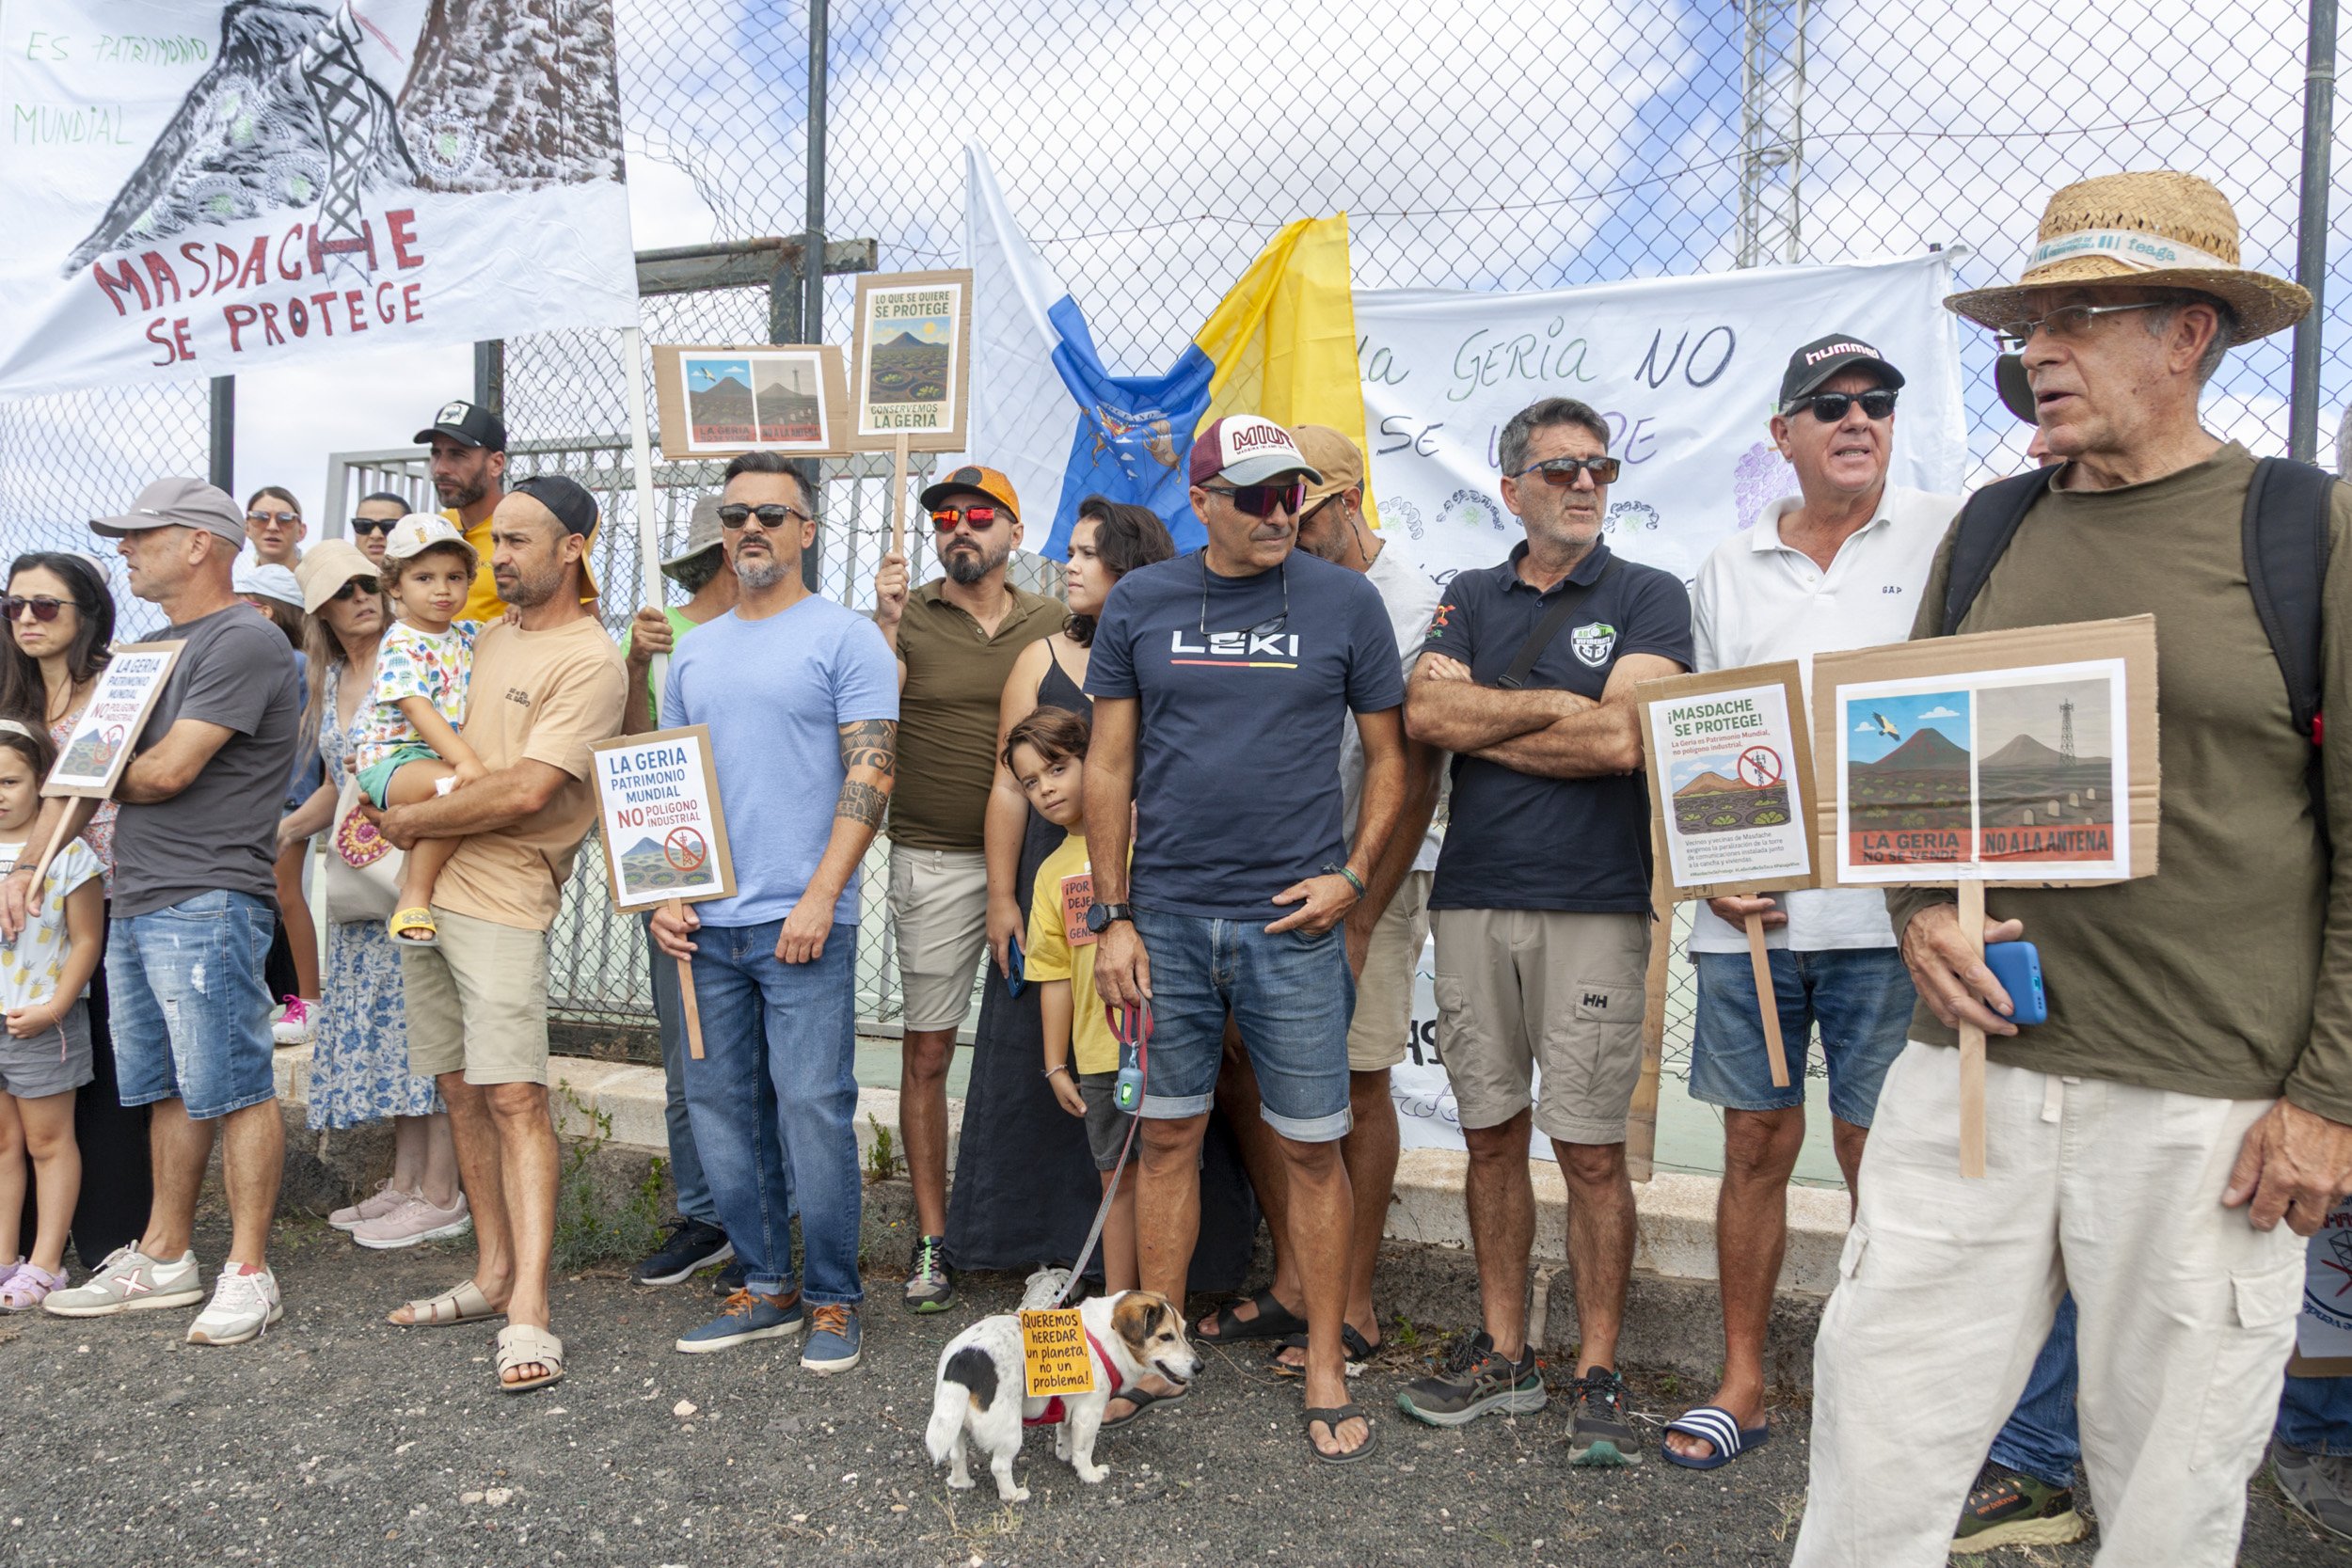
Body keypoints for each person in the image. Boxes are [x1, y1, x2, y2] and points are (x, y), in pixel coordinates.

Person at [1794, 171, 2352, 1568]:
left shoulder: (2304, 532)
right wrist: (1919, 913)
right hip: (1973, 1079)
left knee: (2174, 1484)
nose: (2039, 349)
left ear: (2190, 332)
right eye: (2031, 320)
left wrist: (2330, 1099)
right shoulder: (1989, 530)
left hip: (2207, 1110)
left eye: (2081, 314)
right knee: (1878, 1432)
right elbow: (1911, 793)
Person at [1661, 338, 1962, 1467]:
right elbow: (1701, 735)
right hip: (1751, 917)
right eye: (1827, 404)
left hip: (1896, 917)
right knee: (1753, 1146)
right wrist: (1713, 862)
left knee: (1886, 1152)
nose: (1856, 418)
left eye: (1875, 402)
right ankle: (1743, 1381)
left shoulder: (1946, 530)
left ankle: (1884, 1396)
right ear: (1781, 435)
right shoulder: (1724, 569)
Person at [1088, 415, 1409, 1464]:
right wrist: (1114, 913)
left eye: (1296, 493)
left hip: (1291, 925)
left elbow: (1391, 761)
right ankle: (1153, 1354)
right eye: (1260, 494)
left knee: (1311, 1148)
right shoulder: (1142, 602)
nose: (1283, 512)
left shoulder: (1345, 601)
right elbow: (1107, 766)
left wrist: (1353, 879)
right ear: (1205, 502)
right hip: (1168, 922)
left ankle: (1323, 1361)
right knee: (1169, 1137)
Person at [1397, 396, 1692, 1463]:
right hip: (1473, 896)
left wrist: (1498, 714)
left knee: (1589, 1150)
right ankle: (1504, 1350)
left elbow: (1623, 741)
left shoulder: (1649, 592)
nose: (1583, 484)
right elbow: (1426, 716)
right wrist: (1560, 705)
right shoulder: (1468, 593)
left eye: (1599, 469)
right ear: (1512, 483)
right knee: (1486, 1136)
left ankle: (1597, 1368)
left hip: (1596, 903)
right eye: (1560, 468)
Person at [952, 497, 1263, 1297]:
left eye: (1089, 552)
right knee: (1066, 1067)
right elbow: (1007, 785)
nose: (1070, 564)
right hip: (1057, 882)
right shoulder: (1040, 655)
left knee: (1169, 1085)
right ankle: (1053, 1252)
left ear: (1132, 561)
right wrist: (1001, 895)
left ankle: (1188, 1274)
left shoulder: (1179, 644)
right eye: (1071, 551)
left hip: (1160, 879)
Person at [26, 478, 302, 1347]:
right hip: (141, 891)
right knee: (168, 1089)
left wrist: (87, 758)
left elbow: (168, 770)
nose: (125, 550)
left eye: (142, 536)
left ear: (198, 544)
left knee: (237, 1081)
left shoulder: (246, 637)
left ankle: (250, 1270)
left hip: (209, 891)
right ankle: (166, 1252)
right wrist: (40, 849)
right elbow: (109, 769)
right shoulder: (151, 647)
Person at [1202, 425, 1444, 1377]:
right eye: (1260, 510)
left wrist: (1360, 907)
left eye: (1294, 516)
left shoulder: (1414, 601)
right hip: (1265, 868)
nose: (1277, 532)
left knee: (1353, 1080)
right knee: (1243, 1074)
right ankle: (1303, 1280)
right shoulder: (1278, 580)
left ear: (1342, 503)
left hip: (1365, 873)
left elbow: (1414, 776)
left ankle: (1353, 1304)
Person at [375, 474, 625, 1395]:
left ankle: (530, 1307)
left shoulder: (590, 660)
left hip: (508, 895)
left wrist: (408, 822)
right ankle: (489, 1271)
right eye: (496, 541)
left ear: (574, 548)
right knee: (459, 1086)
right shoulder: (477, 637)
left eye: (521, 540)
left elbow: (528, 790)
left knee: (515, 1095)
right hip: (430, 895)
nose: (500, 556)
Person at [655, 451, 897, 1372]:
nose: (751, 526)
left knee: (812, 1108)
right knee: (720, 1107)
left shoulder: (845, 639)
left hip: (804, 923)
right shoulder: (694, 648)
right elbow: (670, 786)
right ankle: (764, 1282)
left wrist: (821, 895)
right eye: (736, 513)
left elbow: (871, 773)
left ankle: (834, 1296)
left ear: (806, 530)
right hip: (703, 929)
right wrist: (666, 895)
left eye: (771, 512)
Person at [871, 463, 1061, 1312]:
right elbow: (870, 716)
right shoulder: (907, 615)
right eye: (946, 516)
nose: (960, 528)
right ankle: (933, 1241)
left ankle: (1048, 1237)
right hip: (935, 859)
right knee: (930, 1051)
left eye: (980, 516)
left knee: (1044, 1057)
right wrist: (881, 628)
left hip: (1039, 865)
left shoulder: (1052, 619)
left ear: (1015, 532)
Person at [282, 542, 465, 1251]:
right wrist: (289, 826)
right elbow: (341, 780)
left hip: (414, 862)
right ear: (320, 611)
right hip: (363, 876)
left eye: (368, 583)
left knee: (430, 1029)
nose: (361, 597)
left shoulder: (416, 650)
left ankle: (443, 1192)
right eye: (343, 590)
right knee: (394, 1037)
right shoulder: (331, 681)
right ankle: (408, 1179)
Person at [0, 551, 147, 1266]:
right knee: (28, 1082)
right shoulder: (8, 694)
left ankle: (110, 1234)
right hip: (22, 922)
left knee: (107, 1070)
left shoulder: (115, 689)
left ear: (86, 612)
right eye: (15, 605)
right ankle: (28, 1245)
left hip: (107, 891)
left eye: (45, 605)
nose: (27, 618)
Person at [623, 494, 742, 1290]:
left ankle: (768, 1212)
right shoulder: (660, 633)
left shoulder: (804, 627)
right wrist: (635, 663)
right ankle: (706, 1215)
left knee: (775, 1064)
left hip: (776, 873)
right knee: (689, 1056)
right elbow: (635, 753)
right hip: (685, 865)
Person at [1011, 706, 1138, 1291]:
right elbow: (1053, 973)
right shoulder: (1049, 873)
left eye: (1057, 768)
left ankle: (1165, 1309)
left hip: (1171, 1041)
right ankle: (1121, 1307)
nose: (1045, 790)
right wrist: (1055, 1063)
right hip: (1098, 1055)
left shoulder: (1149, 837)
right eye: (1030, 783)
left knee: (1171, 1168)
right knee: (1115, 1177)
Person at [0, 722, 105, 1309]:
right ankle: (4, 1257)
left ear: (43, 785)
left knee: (47, 1140)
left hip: (42, 1019)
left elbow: (88, 940)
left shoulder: (70, 855)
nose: (0, 792)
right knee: (2, 1143)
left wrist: (55, 1008)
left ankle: (46, 1265)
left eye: (10, 780)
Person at [359, 516, 489, 946]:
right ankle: (414, 896)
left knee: (460, 794)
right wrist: (466, 759)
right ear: (395, 586)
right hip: (393, 759)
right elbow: (417, 709)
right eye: (424, 577)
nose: (442, 589)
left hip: (434, 758)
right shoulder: (400, 642)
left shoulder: (469, 635)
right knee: (458, 788)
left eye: (454, 577)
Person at [234, 562, 325, 1046]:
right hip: (281, 796)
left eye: (240, 605)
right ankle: (292, 999)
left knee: (284, 895)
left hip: (286, 799)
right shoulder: (297, 660)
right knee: (275, 897)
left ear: (264, 611)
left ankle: (307, 1001)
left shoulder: (285, 662)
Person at [417, 401, 600, 622]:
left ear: (496, 463)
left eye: (457, 455)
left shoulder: (535, 530)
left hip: (511, 654)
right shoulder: (433, 529)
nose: (441, 468)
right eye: (436, 454)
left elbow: (587, 625)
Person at [245, 486, 306, 568]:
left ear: (301, 531)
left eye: (285, 519)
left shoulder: (321, 579)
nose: (272, 527)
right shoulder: (236, 581)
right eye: (261, 517)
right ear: (247, 528)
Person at [349, 492, 409, 568]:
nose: (376, 535)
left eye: (389, 526)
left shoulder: (426, 577)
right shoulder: (334, 576)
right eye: (364, 525)